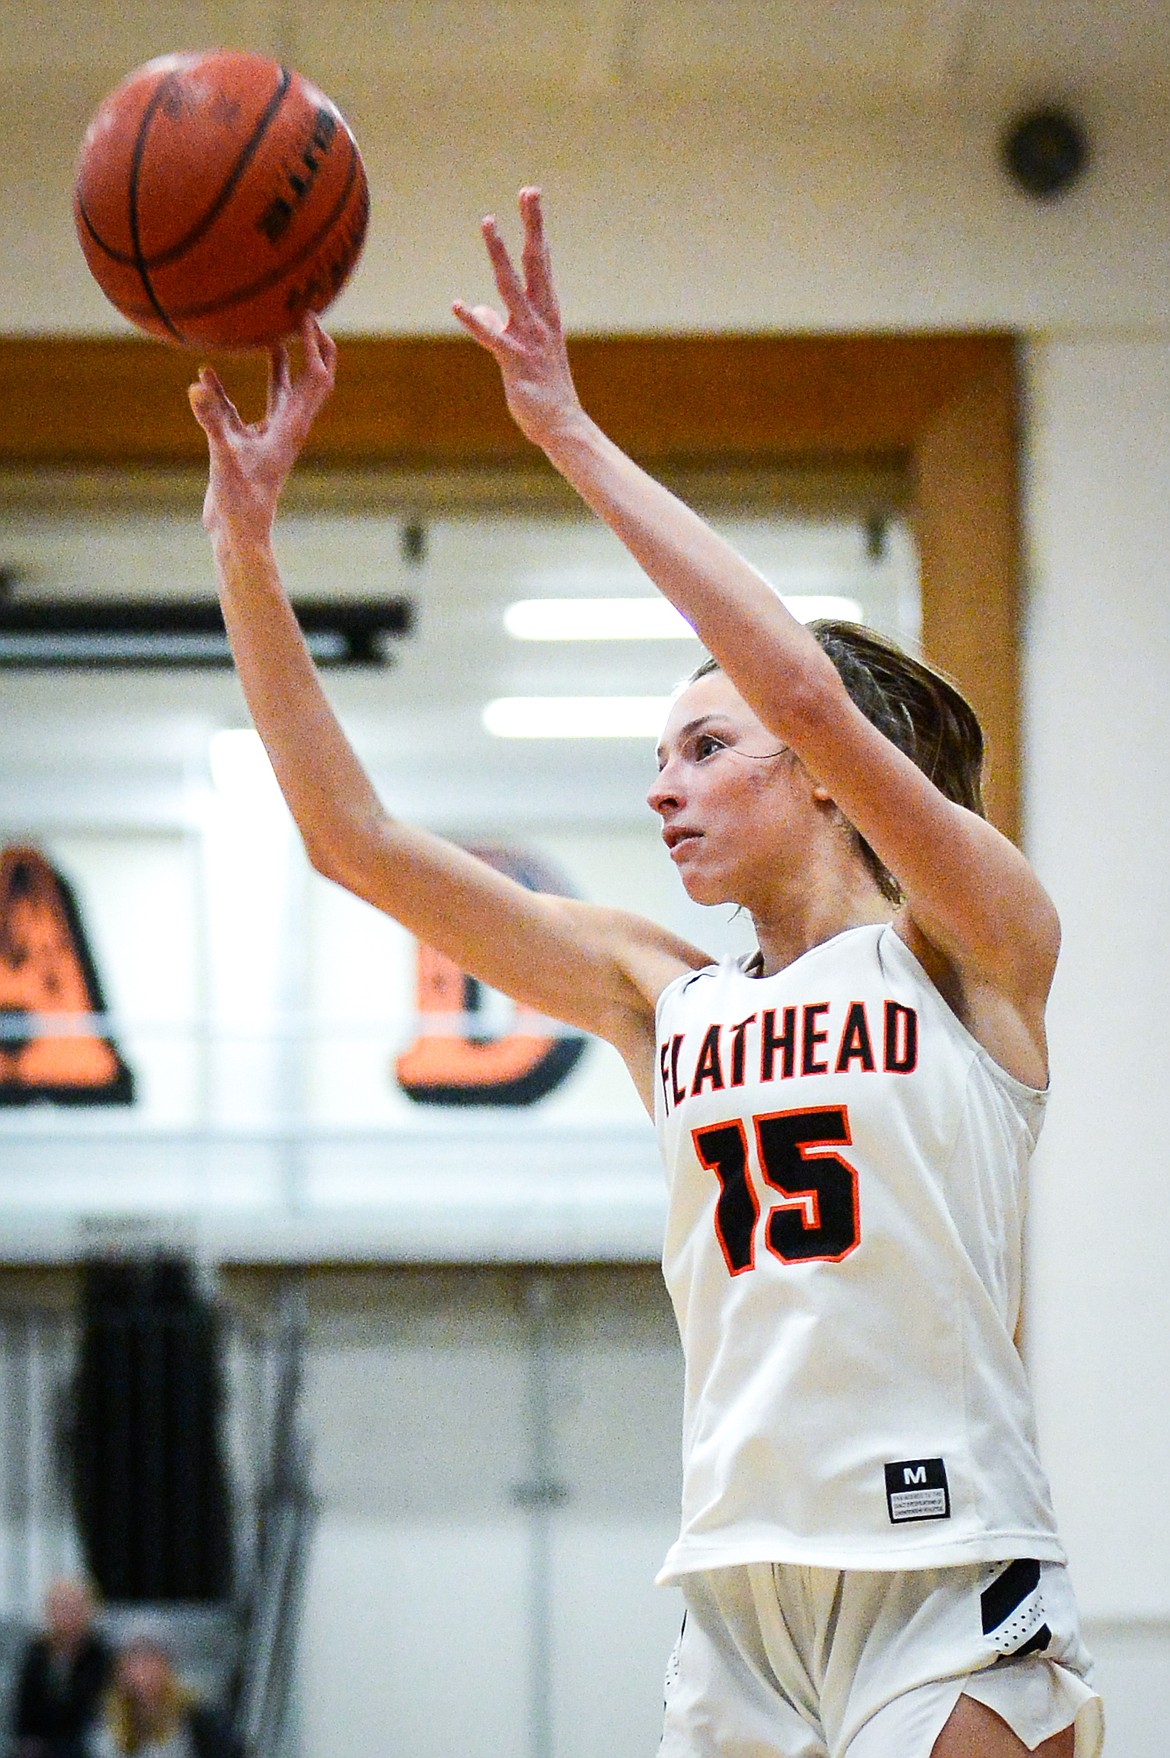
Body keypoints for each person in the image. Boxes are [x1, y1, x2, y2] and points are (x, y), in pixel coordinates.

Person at [188, 189, 1103, 1758]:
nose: (660, 788)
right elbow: (352, 839)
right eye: (652, 757)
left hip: (941, 1575)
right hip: (730, 1590)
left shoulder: (967, 948)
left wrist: (567, 432)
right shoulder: (660, 993)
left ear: (822, 775)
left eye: (701, 745)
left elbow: (809, 691)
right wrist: (243, 546)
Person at [10, 1578, 111, 1758]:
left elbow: (98, 1711)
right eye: (60, 1608)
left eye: (74, 1608)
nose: (67, 1615)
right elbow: (24, 1709)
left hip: (84, 1743)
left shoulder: (101, 1655)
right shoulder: (36, 1653)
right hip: (41, 1746)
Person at [90, 1637, 239, 1758]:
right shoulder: (106, 1726)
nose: (142, 1676)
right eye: (133, 1665)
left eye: (149, 1664)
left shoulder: (200, 1721)